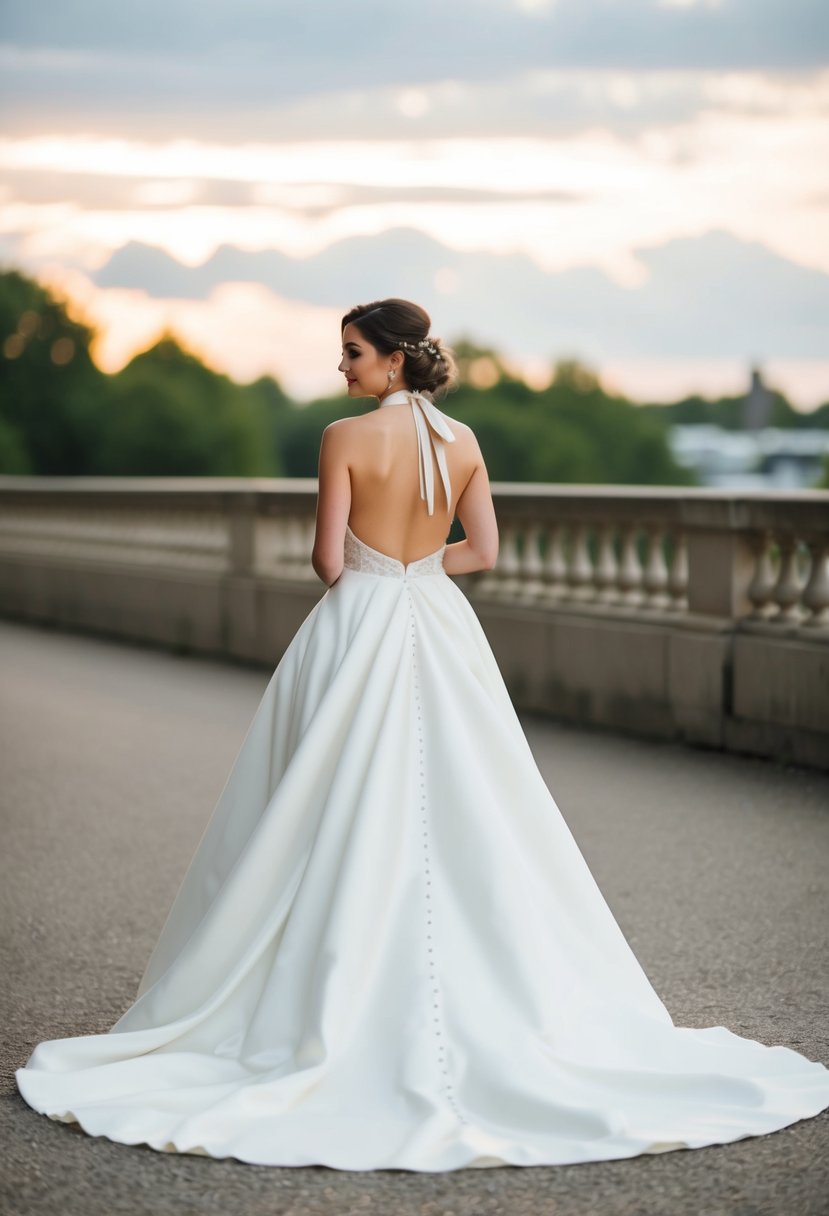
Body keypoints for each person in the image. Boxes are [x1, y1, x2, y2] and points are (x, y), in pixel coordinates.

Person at [15, 298, 829, 1172]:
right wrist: (416, 567)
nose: (343, 368)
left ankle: (328, 976)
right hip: (437, 621)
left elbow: (328, 562)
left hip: (358, 621)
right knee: (468, 800)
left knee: (325, 803)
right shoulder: (465, 441)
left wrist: (376, 571)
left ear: (394, 362)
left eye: (354, 353)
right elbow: (483, 551)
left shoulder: (342, 439)